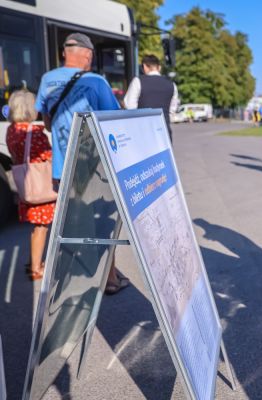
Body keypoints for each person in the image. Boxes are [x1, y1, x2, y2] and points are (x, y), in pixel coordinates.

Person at [35, 32, 129, 295]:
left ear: (66, 52)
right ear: (87, 54)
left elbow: (47, 122)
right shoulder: (95, 81)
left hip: (61, 166)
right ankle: (108, 278)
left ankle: (75, 275)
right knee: (101, 223)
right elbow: (112, 122)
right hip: (90, 165)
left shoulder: (47, 80)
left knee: (73, 219)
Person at [6, 89, 55, 281]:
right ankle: (36, 269)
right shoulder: (33, 133)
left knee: (36, 227)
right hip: (39, 186)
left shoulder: (12, 130)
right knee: (41, 227)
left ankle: (32, 261)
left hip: (25, 184)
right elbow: (48, 157)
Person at [124, 54, 179, 141]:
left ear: (145, 66)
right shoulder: (172, 85)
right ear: (159, 67)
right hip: (165, 133)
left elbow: (129, 106)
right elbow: (172, 110)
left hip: (143, 133)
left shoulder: (138, 81)